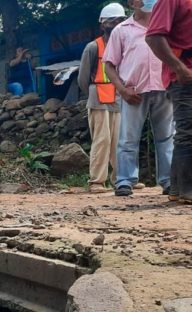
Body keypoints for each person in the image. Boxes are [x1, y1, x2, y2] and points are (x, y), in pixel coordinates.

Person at [104, 0, 174, 197]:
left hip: (164, 89)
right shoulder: (121, 30)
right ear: (132, 3)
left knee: (167, 138)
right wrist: (122, 90)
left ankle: (168, 181)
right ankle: (125, 181)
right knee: (128, 138)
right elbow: (109, 65)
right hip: (133, 93)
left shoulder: (167, 28)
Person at [146, 0, 192, 203]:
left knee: (186, 131)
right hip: (185, 74)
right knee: (188, 130)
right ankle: (187, 190)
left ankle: (177, 188)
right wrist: (178, 67)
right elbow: (154, 36)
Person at [78, 3, 127, 193]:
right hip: (98, 98)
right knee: (102, 139)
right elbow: (83, 79)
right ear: (103, 24)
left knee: (120, 141)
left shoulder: (124, 46)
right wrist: (93, 93)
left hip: (118, 98)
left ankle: (121, 180)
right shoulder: (93, 47)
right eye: (111, 21)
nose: (115, 24)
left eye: (119, 20)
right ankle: (97, 182)